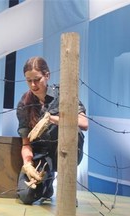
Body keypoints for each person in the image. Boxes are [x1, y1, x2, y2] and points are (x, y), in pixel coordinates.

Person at [16, 56, 88, 204]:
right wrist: (28, 164)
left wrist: (51, 119)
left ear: (47, 75)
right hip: (40, 153)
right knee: (26, 196)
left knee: (71, 132)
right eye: (29, 80)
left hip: (64, 149)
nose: (33, 85)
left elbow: (84, 123)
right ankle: (47, 185)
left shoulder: (63, 94)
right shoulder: (24, 103)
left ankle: (67, 188)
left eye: (37, 79)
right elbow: (26, 144)